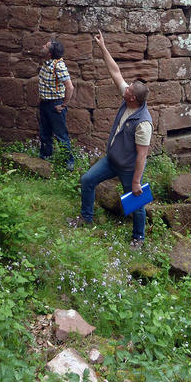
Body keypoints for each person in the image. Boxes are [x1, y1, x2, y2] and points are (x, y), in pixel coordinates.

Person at [70, 30, 152, 248]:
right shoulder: (129, 100)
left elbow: (142, 155)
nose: (124, 87)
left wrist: (136, 181)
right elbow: (115, 72)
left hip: (128, 168)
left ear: (132, 97)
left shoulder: (143, 123)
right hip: (112, 160)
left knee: (136, 201)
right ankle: (86, 218)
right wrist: (102, 47)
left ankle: (138, 238)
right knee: (87, 180)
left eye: (128, 89)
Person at [38, 38, 75, 171]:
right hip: (45, 103)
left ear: (50, 53)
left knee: (60, 135)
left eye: (46, 46)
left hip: (55, 105)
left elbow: (70, 87)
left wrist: (63, 105)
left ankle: (69, 163)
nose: (43, 46)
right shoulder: (46, 63)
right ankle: (45, 158)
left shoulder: (58, 66)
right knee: (45, 133)